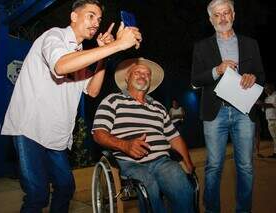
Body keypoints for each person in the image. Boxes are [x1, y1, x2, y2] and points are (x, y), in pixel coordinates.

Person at [1, 0, 142, 212]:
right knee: (37, 195)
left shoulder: (81, 54)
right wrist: (118, 45)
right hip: (29, 128)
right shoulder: (54, 36)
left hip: (56, 136)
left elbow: (93, 90)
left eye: (99, 19)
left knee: (66, 188)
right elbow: (61, 65)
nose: (96, 23)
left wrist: (105, 55)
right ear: (74, 16)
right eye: (91, 15)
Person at [92, 58, 195, 213]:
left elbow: (174, 137)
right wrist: (125, 145)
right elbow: (99, 133)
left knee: (181, 183)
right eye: (137, 72)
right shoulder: (113, 100)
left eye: (147, 74)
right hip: (129, 163)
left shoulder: (159, 107)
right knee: (148, 183)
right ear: (127, 78)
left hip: (162, 162)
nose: (143, 75)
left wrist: (188, 162)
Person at [191, 0, 265, 212]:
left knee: (246, 167)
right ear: (210, 19)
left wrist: (253, 78)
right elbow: (195, 80)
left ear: (233, 15)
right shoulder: (201, 47)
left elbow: (261, 75)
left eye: (226, 13)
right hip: (216, 113)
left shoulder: (251, 43)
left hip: (244, 112)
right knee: (213, 166)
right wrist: (217, 70)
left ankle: (243, 210)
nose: (222, 18)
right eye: (217, 14)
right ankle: (212, 209)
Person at [260, 83, 276, 158]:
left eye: (267, 88)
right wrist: (262, 105)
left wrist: (262, 104)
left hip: (274, 119)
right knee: (274, 137)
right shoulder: (266, 98)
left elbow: (273, 105)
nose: (266, 90)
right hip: (269, 120)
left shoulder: (275, 96)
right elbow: (264, 109)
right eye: (265, 89)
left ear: (272, 87)